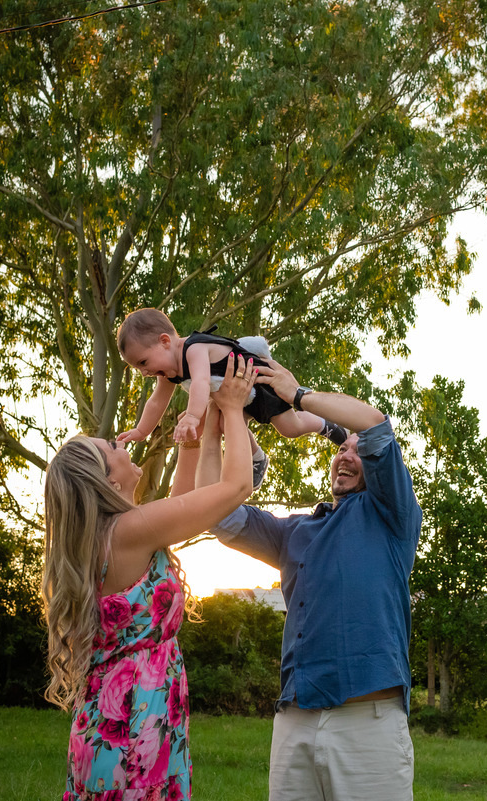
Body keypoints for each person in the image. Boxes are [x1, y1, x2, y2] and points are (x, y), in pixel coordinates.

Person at [198, 355, 422, 801]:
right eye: (342, 449)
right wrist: (218, 421)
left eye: (358, 452)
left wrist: (297, 395)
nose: (347, 456)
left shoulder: (392, 519)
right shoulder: (296, 531)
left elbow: (376, 425)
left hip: (368, 724)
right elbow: (215, 512)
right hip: (293, 722)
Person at [41, 354, 258, 800]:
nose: (123, 446)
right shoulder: (127, 532)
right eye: (112, 450)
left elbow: (184, 501)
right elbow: (236, 487)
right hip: (134, 731)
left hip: (118, 726)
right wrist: (233, 408)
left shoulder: (114, 535)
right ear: (106, 481)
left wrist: (193, 439)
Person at [115, 308, 347, 448]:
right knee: (225, 425)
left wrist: (193, 416)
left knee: (289, 427)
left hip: (258, 380)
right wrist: (142, 431)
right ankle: (257, 458)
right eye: (138, 368)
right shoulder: (168, 372)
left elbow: (201, 383)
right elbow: (156, 402)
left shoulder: (193, 349)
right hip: (236, 392)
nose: (144, 372)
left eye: (143, 362)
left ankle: (323, 424)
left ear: (165, 341)